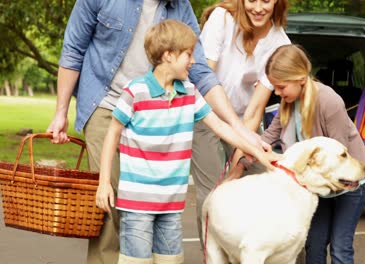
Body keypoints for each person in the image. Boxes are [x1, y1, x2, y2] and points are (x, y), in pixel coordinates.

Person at [47, 1, 271, 263]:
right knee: (110, 204)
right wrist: (61, 112)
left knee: (156, 234)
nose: (192, 58)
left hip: (160, 105)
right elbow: (73, 50)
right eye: (186, 54)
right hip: (105, 101)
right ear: (168, 55)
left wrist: (243, 133)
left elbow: (201, 75)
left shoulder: (180, 8)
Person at [230, 44, 365, 263]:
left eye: (281, 86)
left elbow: (338, 157)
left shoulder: (329, 101)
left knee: (340, 247)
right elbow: (268, 138)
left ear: (300, 79)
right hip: (319, 183)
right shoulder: (287, 104)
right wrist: (240, 164)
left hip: (350, 182)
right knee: (313, 244)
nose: (276, 93)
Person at [191, 0, 290, 242]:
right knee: (213, 194)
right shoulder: (222, 20)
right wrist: (223, 126)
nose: (258, 8)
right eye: (251, 0)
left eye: (265, 1)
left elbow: (255, 109)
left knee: (261, 183)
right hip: (206, 113)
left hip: (244, 124)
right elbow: (205, 78)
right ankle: (212, 256)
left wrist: (239, 160)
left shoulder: (280, 43)